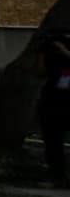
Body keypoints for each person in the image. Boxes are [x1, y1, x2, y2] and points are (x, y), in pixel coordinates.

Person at [39, 27, 70, 187]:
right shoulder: (52, 60)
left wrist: (66, 53)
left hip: (64, 101)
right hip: (53, 101)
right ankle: (58, 176)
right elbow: (42, 71)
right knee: (52, 140)